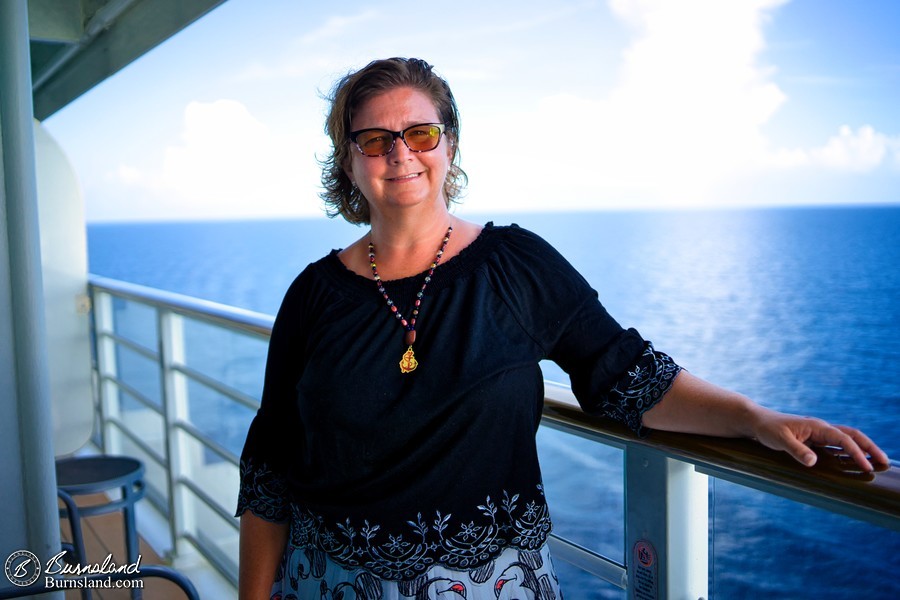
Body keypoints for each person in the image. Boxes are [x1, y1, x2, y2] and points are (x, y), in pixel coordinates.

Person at [235, 57, 889, 599]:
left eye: (422, 134)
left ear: (450, 145)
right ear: (348, 164)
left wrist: (756, 418)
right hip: (324, 583)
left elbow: (630, 377)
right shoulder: (313, 296)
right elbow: (269, 469)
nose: (400, 153)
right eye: (374, 140)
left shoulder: (520, 267)